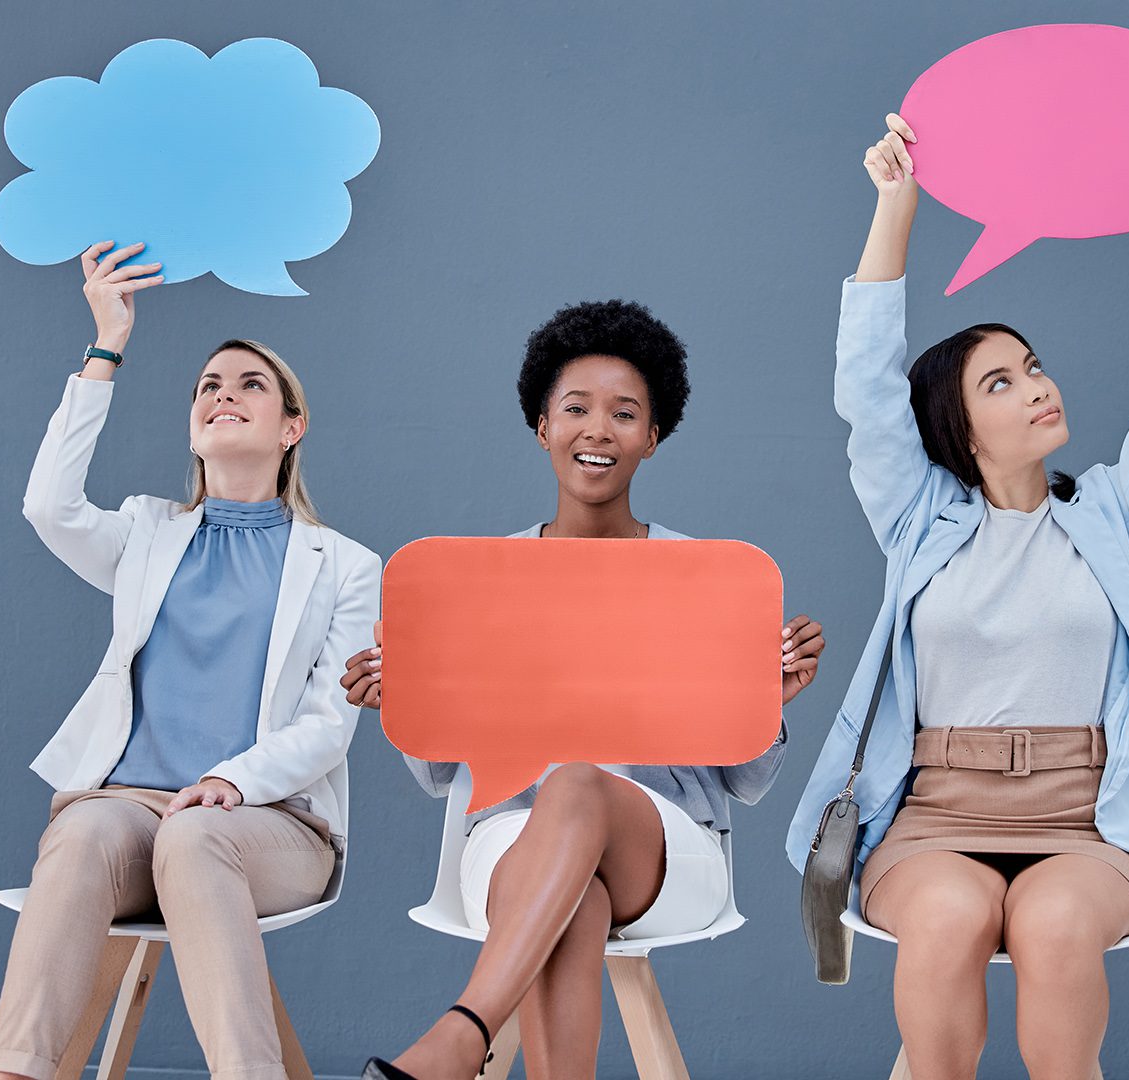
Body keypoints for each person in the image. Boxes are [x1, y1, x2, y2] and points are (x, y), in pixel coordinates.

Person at [785, 114, 1129, 1079]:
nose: (1036, 387)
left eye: (1033, 366)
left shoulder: (1112, 518)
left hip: (1085, 820)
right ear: (956, 426)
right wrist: (896, 207)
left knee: (1050, 925)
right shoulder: (917, 517)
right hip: (934, 815)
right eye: (1000, 382)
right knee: (954, 914)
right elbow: (866, 389)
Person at [343, 298, 826, 1080]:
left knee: (575, 783)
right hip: (508, 843)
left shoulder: (703, 578)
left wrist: (767, 703)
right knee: (574, 900)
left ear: (652, 437)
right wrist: (400, 699)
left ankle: (463, 1035)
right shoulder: (482, 579)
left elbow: (741, 779)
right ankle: (465, 1044)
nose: (598, 430)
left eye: (625, 413)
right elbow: (441, 775)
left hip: (665, 848)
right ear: (543, 427)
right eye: (576, 409)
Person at [0, 242, 381, 1080]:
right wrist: (106, 346)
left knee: (197, 838)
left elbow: (327, 725)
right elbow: (46, 505)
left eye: (249, 385)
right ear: (193, 426)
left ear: (291, 426)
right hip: (131, 809)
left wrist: (233, 781)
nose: (223, 395)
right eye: (208, 386)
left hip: (272, 822)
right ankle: (13, 1073)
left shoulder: (345, 564)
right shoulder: (146, 533)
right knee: (82, 827)